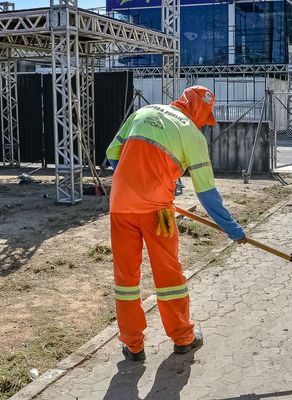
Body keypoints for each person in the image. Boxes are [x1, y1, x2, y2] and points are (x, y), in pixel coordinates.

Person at [106, 85, 246, 361]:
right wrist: (233, 229)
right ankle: (183, 338)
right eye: (205, 118)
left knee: (126, 279)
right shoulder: (191, 134)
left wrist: (133, 184)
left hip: (120, 206)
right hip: (158, 212)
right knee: (169, 277)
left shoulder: (142, 112)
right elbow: (206, 193)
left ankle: (133, 345)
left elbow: (113, 154)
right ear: (200, 111)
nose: (203, 124)